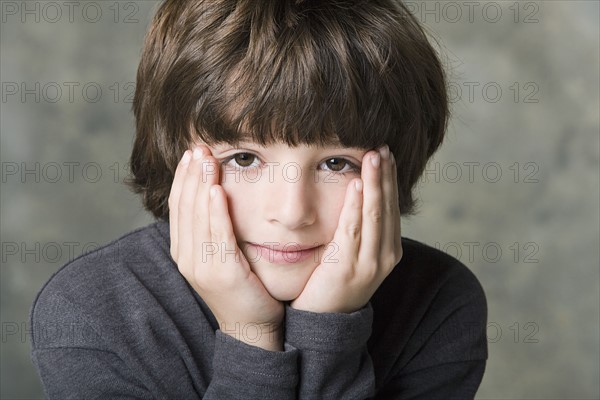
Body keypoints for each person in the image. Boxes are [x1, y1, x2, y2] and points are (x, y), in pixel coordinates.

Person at [30, 0, 488, 398]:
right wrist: (250, 338)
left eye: (335, 164)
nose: (291, 213)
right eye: (244, 159)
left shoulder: (439, 302)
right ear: (175, 157)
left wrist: (329, 329)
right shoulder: (89, 310)